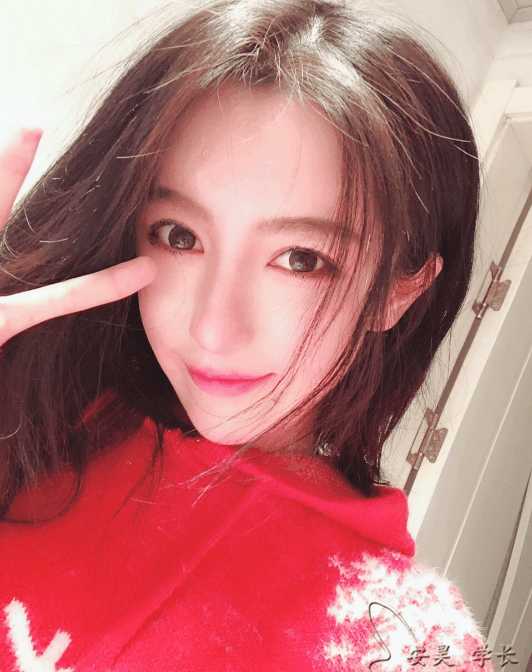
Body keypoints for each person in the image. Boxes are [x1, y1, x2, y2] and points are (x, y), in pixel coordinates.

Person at [0, 0, 494, 670]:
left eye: (302, 259)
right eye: (179, 236)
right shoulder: (44, 426)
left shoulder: (404, 640)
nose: (213, 329)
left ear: (398, 291)